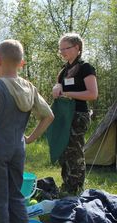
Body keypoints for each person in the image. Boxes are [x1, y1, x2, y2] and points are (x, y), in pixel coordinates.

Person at [0, 39, 54, 223]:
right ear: (21, 63)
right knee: (16, 194)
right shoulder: (29, 88)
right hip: (18, 148)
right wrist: (30, 138)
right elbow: (49, 116)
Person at [52, 33, 98, 195]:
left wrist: (68, 93)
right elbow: (60, 88)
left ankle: (76, 187)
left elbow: (92, 94)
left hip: (79, 115)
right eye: (61, 49)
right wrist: (57, 88)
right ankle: (67, 184)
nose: (63, 51)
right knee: (64, 151)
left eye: (66, 48)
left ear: (77, 48)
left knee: (74, 151)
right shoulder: (64, 70)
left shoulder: (86, 67)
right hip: (64, 116)